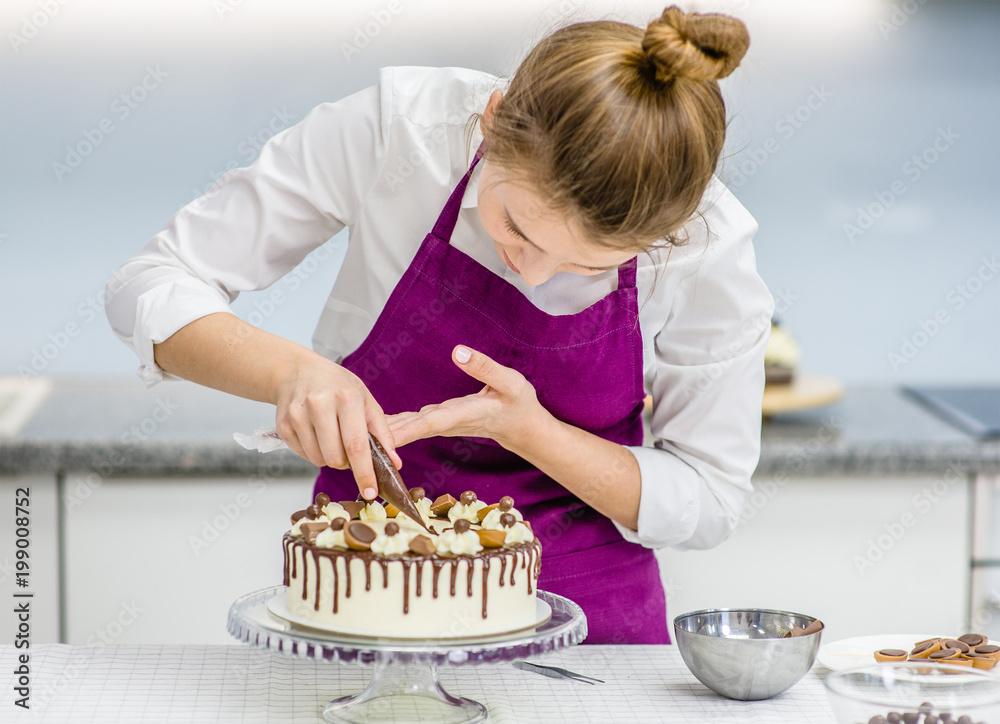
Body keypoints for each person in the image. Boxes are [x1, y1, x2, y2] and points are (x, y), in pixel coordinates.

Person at [106, 6, 773, 644]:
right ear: (491, 122)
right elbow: (149, 284)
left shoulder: (706, 247)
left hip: (595, 641)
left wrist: (532, 433)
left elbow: (711, 498)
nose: (535, 275)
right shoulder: (401, 130)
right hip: (365, 604)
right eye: (515, 226)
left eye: (584, 264)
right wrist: (291, 372)